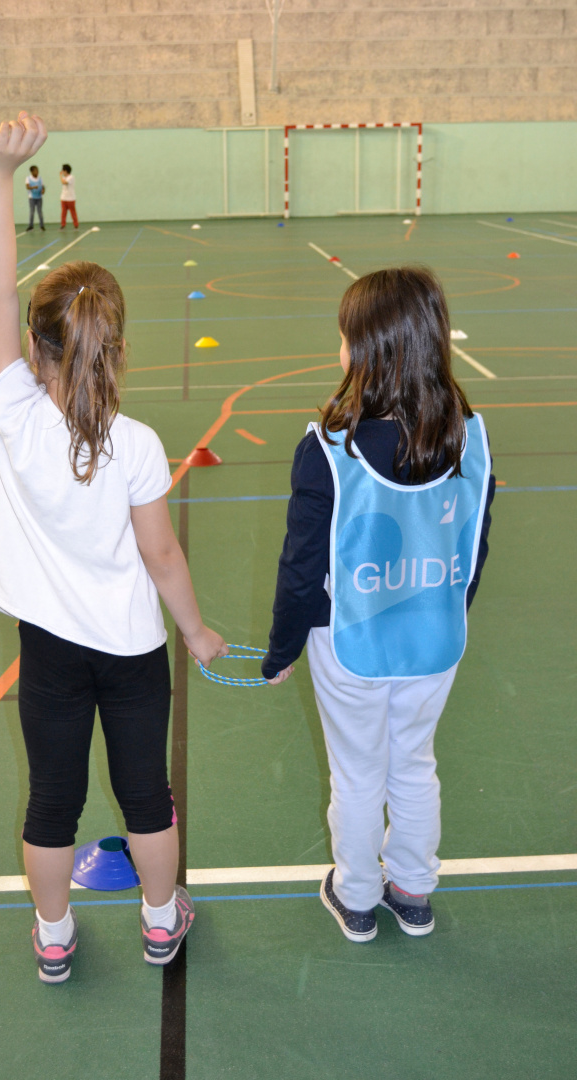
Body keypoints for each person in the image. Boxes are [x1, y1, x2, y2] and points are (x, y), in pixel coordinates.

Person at [0, 112, 227, 983]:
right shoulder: (140, 444)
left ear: (35, 352)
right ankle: (158, 920)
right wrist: (196, 632)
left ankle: (56, 936)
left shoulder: (15, 416)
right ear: (116, 348)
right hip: (135, 652)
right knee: (148, 796)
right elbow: (163, 560)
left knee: (52, 801)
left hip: (53, 654)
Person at [261, 267, 495, 943]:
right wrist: (453, 609)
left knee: (359, 771)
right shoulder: (469, 436)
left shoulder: (327, 448)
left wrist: (282, 652)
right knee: (414, 762)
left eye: (345, 337)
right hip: (434, 639)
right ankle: (414, 890)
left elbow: (301, 573)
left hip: (351, 644)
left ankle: (358, 896)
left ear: (367, 350)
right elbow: (474, 543)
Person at [24, 165, 45, 231]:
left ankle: (42, 226)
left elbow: (42, 186)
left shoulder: (40, 178)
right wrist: (33, 187)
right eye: (35, 170)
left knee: (40, 212)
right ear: (32, 172)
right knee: (32, 212)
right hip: (32, 197)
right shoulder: (28, 178)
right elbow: (27, 187)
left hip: (39, 197)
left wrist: (43, 190)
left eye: (37, 170)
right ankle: (31, 226)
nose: (37, 172)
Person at [60, 163, 78, 229]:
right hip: (64, 198)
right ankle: (63, 224)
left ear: (66, 171)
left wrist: (60, 176)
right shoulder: (64, 178)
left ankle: (76, 224)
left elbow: (64, 182)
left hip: (71, 198)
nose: (62, 172)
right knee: (63, 213)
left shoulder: (71, 177)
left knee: (73, 212)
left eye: (63, 170)